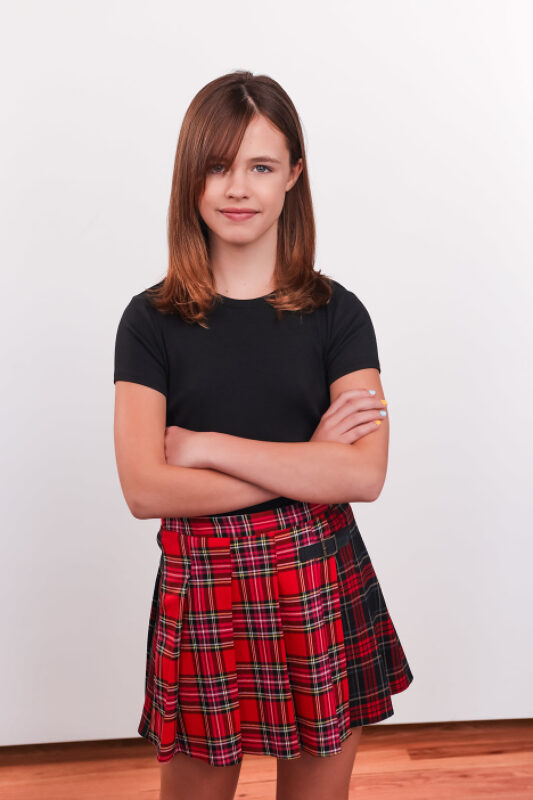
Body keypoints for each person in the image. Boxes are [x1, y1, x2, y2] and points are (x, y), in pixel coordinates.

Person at [113, 70, 414, 800]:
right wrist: (309, 463)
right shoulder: (149, 321)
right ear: (191, 177)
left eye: (261, 167)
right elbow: (145, 489)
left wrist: (205, 447)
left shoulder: (340, 314)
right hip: (204, 587)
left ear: (293, 176)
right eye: (218, 166)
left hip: (317, 578)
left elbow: (363, 476)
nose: (237, 188)